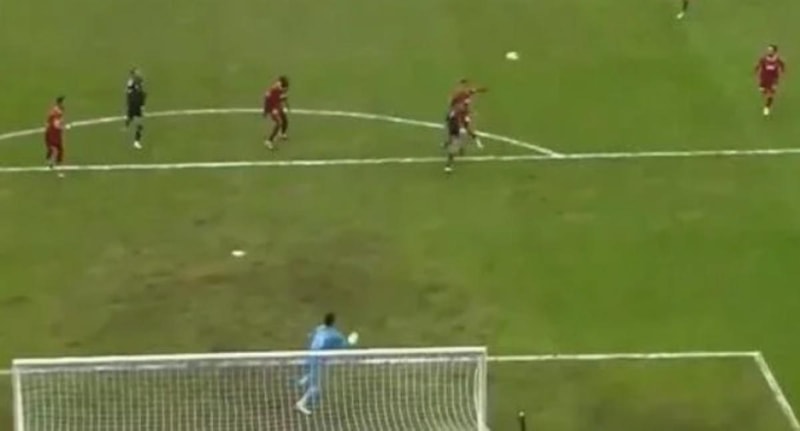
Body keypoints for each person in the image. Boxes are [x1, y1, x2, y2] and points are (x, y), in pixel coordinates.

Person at [295, 312, 357, 415]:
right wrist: (352, 341)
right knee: (316, 387)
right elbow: (345, 345)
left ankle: (304, 380)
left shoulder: (319, 328)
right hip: (317, 360)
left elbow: (310, 335)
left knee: (313, 371)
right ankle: (301, 403)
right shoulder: (335, 335)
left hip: (309, 355)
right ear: (333, 322)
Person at [755, 45, 786, 117]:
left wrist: (782, 72)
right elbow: (758, 65)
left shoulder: (778, 60)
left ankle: (767, 108)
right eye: (768, 50)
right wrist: (755, 71)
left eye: (771, 50)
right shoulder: (763, 59)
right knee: (762, 91)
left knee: (771, 94)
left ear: (774, 51)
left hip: (773, 80)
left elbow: (782, 66)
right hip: (764, 78)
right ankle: (764, 92)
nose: (769, 51)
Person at [263, 75, 289, 149]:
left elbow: (283, 97)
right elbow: (267, 100)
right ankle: (269, 141)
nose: (285, 90)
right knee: (279, 123)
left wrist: (286, 104)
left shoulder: (283, 88)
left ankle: (282, 134)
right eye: (284, 88)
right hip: (272, 107)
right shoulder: (272, 90)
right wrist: (266, 111)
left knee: (285, 119)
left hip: (277, 105)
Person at [125, 68, 147, 149]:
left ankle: (136, 141)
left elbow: (141, 95)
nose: (139, 73)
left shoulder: (138, 83)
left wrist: (142, 105)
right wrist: (142, 106)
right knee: (132, 118)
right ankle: (126, 127)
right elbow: (130, 93)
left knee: (138, 123)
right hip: (134, 104)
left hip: (135, 104)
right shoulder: (132, 84)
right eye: (137, 72)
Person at [45, 96, 67, 176]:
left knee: (54, 148)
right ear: (59, 103)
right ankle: (56, 166)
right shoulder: (57, 112)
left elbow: (48, 122)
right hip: (54, 133)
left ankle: (50, 162)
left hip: (51, 132)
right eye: (63, 102)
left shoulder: (55, 110)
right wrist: (63, 127)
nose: (64, 104)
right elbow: (56, 124)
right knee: (57, 149)